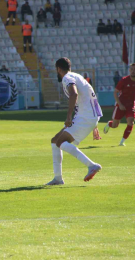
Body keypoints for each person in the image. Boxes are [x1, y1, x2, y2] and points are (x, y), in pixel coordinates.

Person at [46, 58, 102, 186]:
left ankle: (92, 165)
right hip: (88, 116)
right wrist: (95, 124)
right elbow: (90, 97)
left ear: (58, 69)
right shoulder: (77, 76)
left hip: (85, 117)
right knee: (55, 140)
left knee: (61, 142)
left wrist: (68, 117)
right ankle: (58, 178)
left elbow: (74, 94)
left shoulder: (67, 78)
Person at [103, 63, 135, 146]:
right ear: (129, 70)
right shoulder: (124, 80)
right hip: (121, 104)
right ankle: (109, 124)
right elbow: (115, 92)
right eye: (131, 69)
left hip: (131, 105)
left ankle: (122, 142)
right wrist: (120, 104)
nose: (133, 71)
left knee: (131, 122)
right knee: (115, 125)